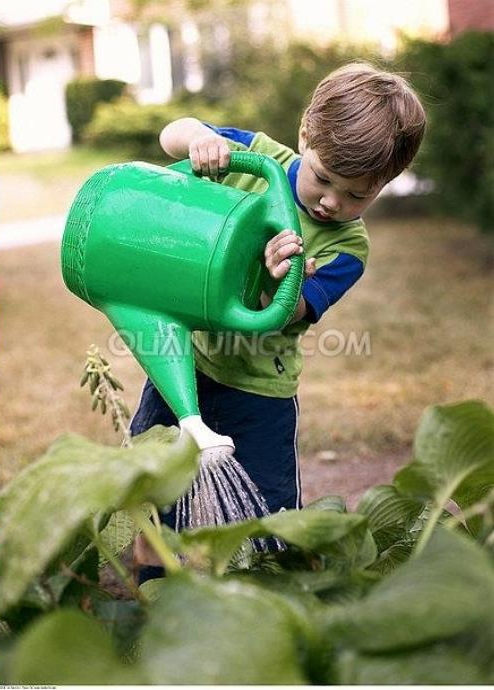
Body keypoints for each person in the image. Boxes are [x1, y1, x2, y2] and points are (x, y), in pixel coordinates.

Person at [132, 62, 426, 578]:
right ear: (304, 136)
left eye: (359, 195)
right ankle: (150, 600)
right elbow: (171, 134)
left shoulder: (347, 247)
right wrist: (199, 138)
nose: (333, 202)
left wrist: (278, 283)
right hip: (184, 365)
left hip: (259, 394)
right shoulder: (258, 159)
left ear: (387, 182)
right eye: (323, 178)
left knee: (270, 519)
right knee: (153, 493)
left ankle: (260, 600)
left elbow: (288, 314)